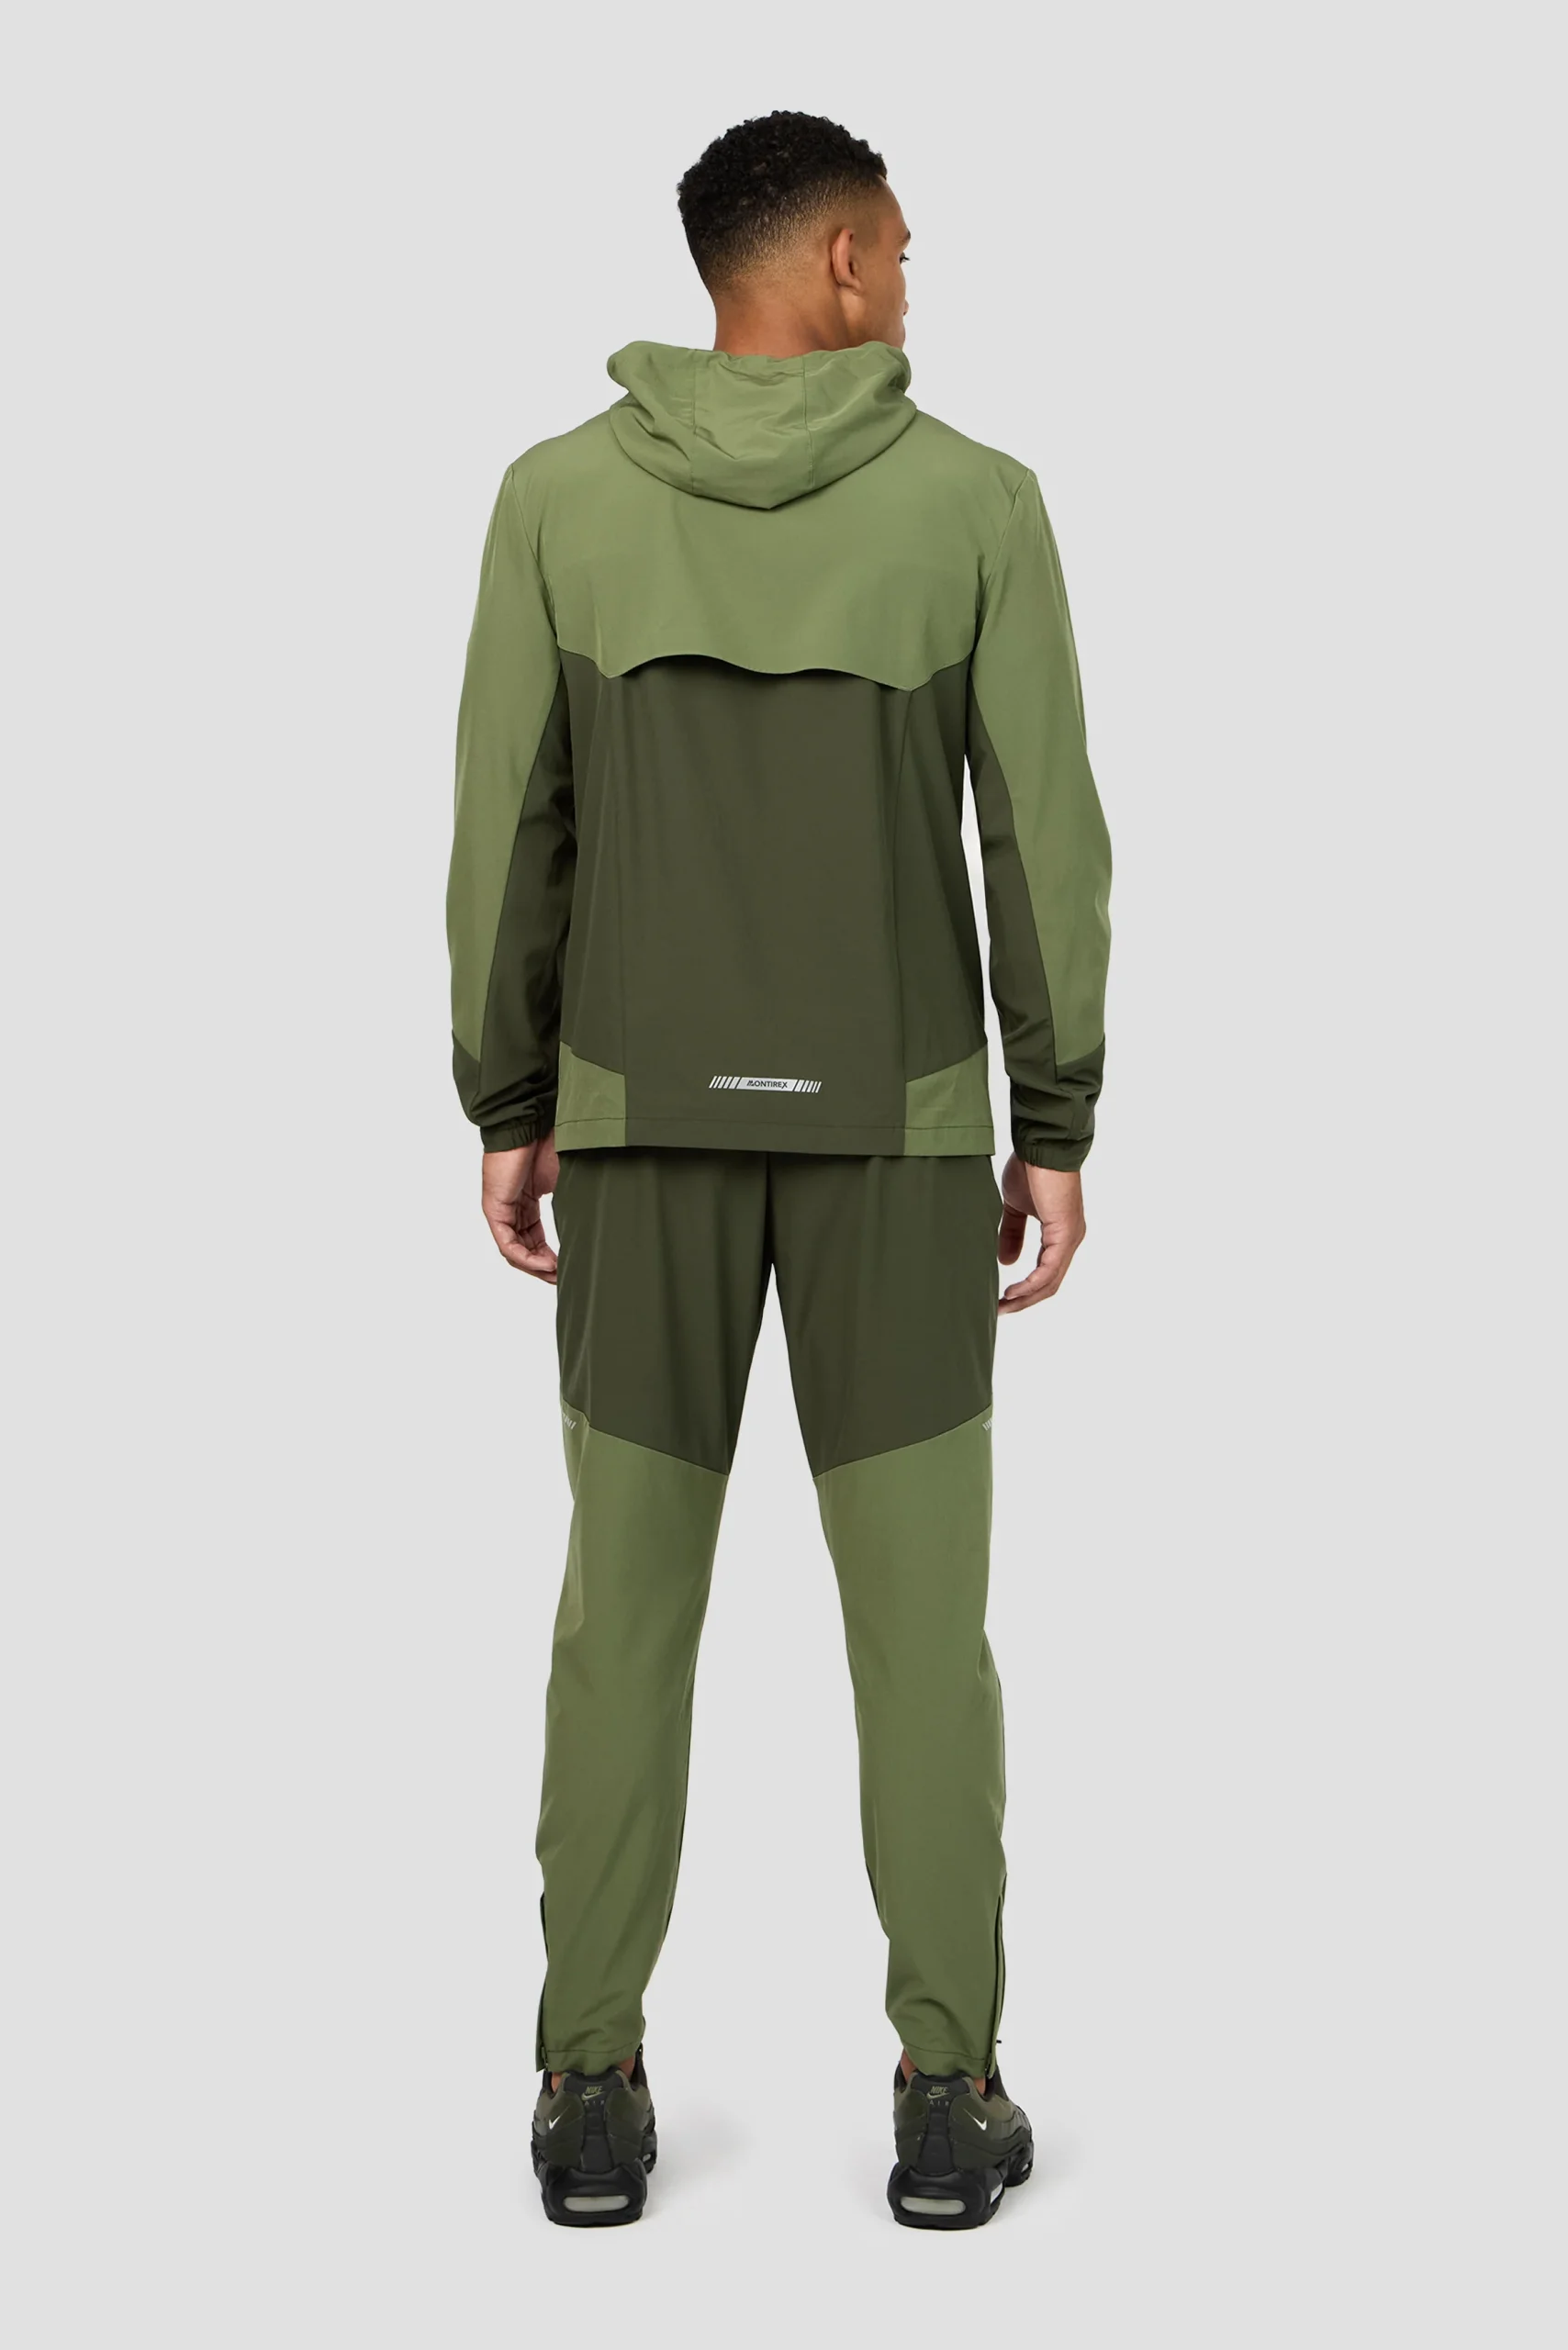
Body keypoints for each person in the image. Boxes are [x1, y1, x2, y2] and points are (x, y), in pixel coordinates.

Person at [447, 109, 1111, 2231]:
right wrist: (1051, 1116)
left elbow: (508, 826)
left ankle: (586, 2084)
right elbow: (1042, 838)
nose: (909, 282)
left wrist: (508, 1095)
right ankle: (946, 2087)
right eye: (896, 248)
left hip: (634, 1126)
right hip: (897, 1141)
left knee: (618, 1618)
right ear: (830, 262)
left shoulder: (556, 499)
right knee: (921, 1632)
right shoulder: (974, 505)